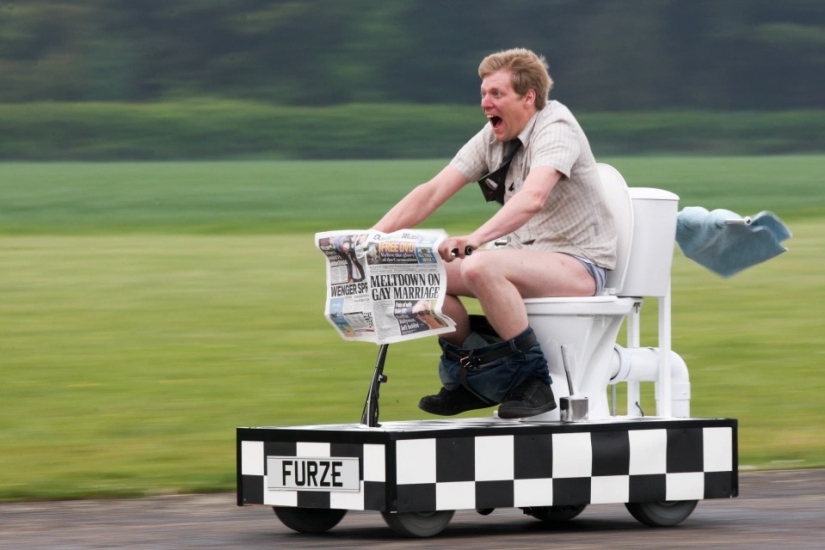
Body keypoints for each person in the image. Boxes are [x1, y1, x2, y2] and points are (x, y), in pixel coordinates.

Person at [372, 48, 617, 418]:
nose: (486, 103)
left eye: (496, 94)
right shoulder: (494, 135)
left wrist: (474, 240)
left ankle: (534, 383)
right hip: (526, 258)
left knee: (479, 267)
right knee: (417, 272)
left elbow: (533, 197)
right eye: (484, 93)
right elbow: (434, 191)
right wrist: (368, 238)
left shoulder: (557, 127)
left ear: (528, 97)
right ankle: (471, 380)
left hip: (580, 264)